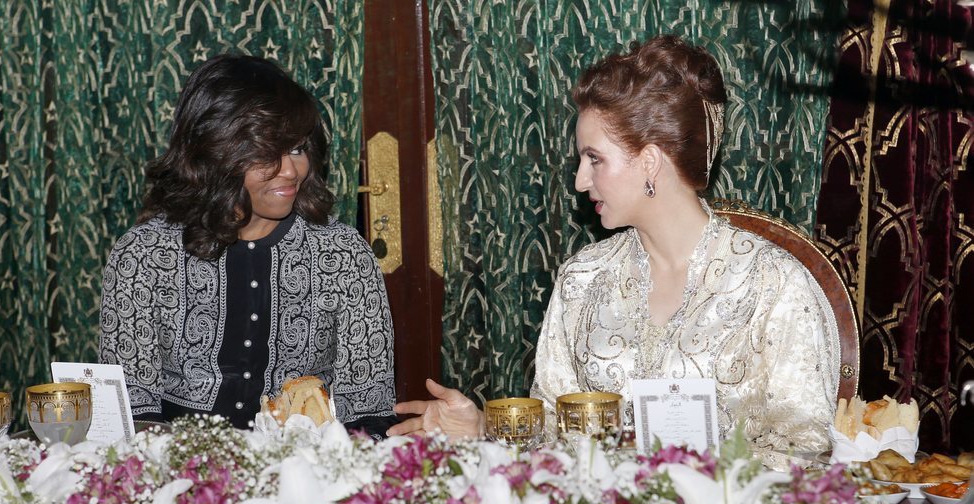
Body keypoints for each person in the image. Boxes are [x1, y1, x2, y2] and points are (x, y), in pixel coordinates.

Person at [388, 35, 839, 469]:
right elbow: (555, 432)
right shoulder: (583, 280)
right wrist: (484, 428)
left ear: (649, 162)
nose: (580, 181)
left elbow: (806, 446)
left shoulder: (772, 283)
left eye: (594, 158)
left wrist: (681, 478)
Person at [99, 54, 398, 435]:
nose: (292, 170)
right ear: (214, 152)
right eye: (266, 152)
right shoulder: (143, 255)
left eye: (297, 148)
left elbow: (368, 409)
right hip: (177, 474)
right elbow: (131, 409)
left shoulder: (341, 255)